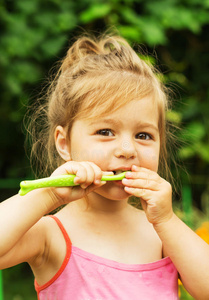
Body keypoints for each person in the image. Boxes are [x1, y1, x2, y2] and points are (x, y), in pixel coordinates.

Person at [0, 34, 209, 300]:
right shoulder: (51, 235)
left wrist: (167, 220)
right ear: (64, 144)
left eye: (143, 135)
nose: (127, 150)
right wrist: (49, 194)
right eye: (105, 131)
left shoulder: (161, 234)